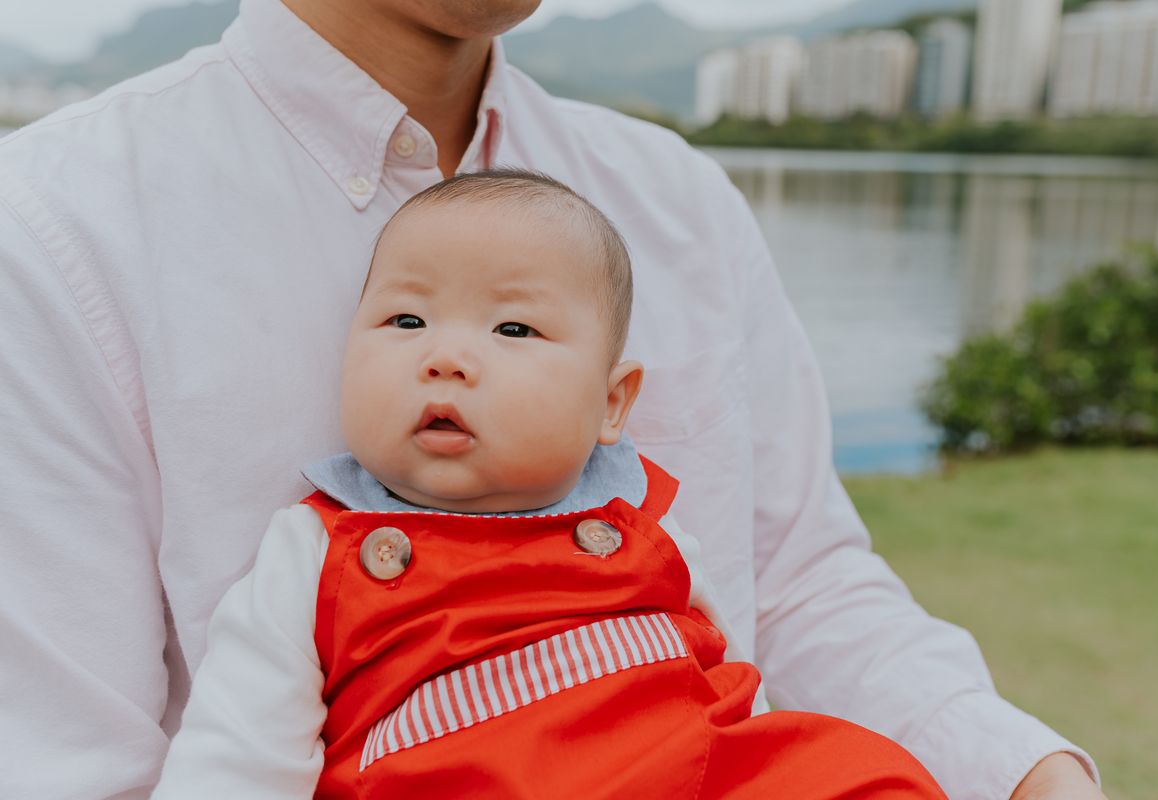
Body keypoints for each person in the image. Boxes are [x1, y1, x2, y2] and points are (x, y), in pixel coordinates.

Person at [0, 1, 1104, 798]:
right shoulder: (57, 231)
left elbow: (802, 583)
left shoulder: (676, 200)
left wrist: (1026, 773)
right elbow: (68, 763)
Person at [149, 168, 949, 799]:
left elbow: (735, 687)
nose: (446, 357)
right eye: (406, 321)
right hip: (456, 778)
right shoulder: (317, 551)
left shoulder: (645, 530)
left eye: (513, 329)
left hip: (685, 768)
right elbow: (239, 758)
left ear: (611, 403)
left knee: (870, 775)